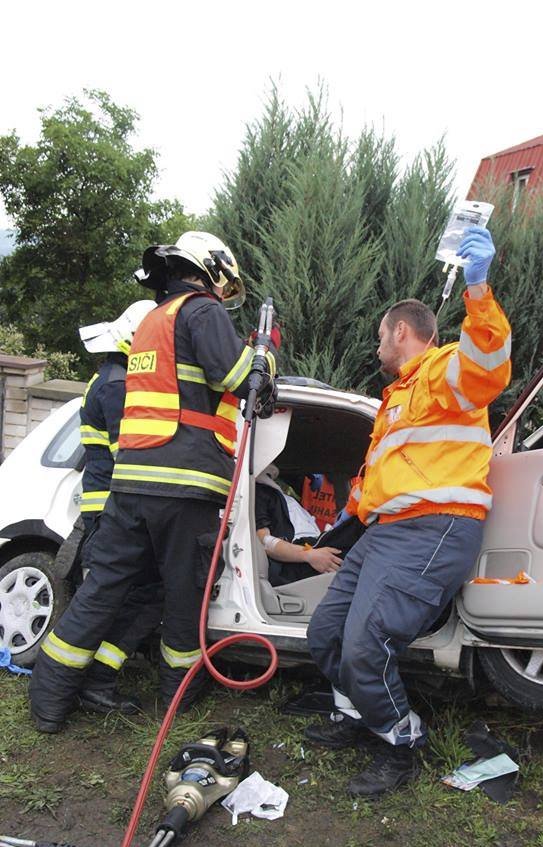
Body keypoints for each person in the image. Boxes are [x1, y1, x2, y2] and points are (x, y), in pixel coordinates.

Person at [29, 231, 278, 732]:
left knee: (101, 592)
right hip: (185, 486)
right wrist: (265, 352)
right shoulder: (202, 311)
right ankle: (177, 698)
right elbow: (236, 378)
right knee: (184, 595)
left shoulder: (149, 324)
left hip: (132, 486)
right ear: (210, 271)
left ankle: (49, 702)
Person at [304, 225, 511, 798]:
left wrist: (479, 287)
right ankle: (354, 715)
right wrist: (337, 531)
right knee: (326, 634)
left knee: (369, 645)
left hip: (436, 527)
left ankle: (402, 743)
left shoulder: (445, 370)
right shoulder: (397, 402)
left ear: (401, 331)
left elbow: (489, 364)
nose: (376, 349)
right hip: (387, 533)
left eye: (379, 338)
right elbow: (378, 482)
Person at [73, 300, 163, 715]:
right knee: (136, 595)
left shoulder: (107, 378)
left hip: (106, 508)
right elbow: (128, 455)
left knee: (126, 596)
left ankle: (94, 678)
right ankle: (97, 681)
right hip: (113, 510)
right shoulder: (117, 385)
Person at [255, 464, 343, 586]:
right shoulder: (258, 492)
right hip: (295, 563)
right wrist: (309, 555)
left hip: (313, 548)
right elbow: (264, 541)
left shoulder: (277, 494)